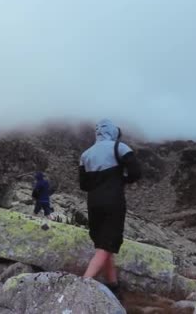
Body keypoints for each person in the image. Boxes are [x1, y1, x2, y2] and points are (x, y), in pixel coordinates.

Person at [79, 119, 141, 296]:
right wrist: (122, 179)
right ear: (114, 132)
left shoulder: (86, 155)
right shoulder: (120, 148)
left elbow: (83, 185)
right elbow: (136, 172)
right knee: (108, 244)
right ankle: (83, 286)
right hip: (113, 201)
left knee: (103, 244)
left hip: (93, 203)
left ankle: (113, 286)